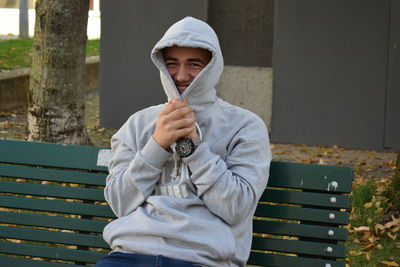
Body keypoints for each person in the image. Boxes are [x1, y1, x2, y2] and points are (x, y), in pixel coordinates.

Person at [96, 16, 272, 267]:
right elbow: (120, 203)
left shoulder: (245, 126)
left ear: (212, 67)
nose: (181, 75)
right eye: (172, 63)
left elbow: (236, 208)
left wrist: (194, 149)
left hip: (202, 260)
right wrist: (157, 145)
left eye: (194, 64)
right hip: (130, 256)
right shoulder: (137, 124)